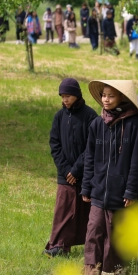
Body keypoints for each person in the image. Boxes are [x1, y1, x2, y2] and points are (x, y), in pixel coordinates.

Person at [82, 80, 138, 275]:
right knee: (93, 232)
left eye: (111, 96)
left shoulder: (134, 125)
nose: (106, 100)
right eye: (103, 96)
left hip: (122, 195)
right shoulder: (96, 124)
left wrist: (130, 189)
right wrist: (86, 186)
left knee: (119, 238)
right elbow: (89, 158)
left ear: (122, 98)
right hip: (99, 192)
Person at [46, 78, 98, 258]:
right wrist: (66, 170)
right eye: (62, 96)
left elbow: (91, 146)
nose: (64, 100)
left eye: (67, 96)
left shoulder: (90, 116)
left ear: (76, 95)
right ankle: (59, 245)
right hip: (65, 175)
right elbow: (55, 144)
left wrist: (76, 170)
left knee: (87, 211)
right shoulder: (59, 117)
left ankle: (92, 245)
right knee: (63, 210)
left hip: (86, 173)